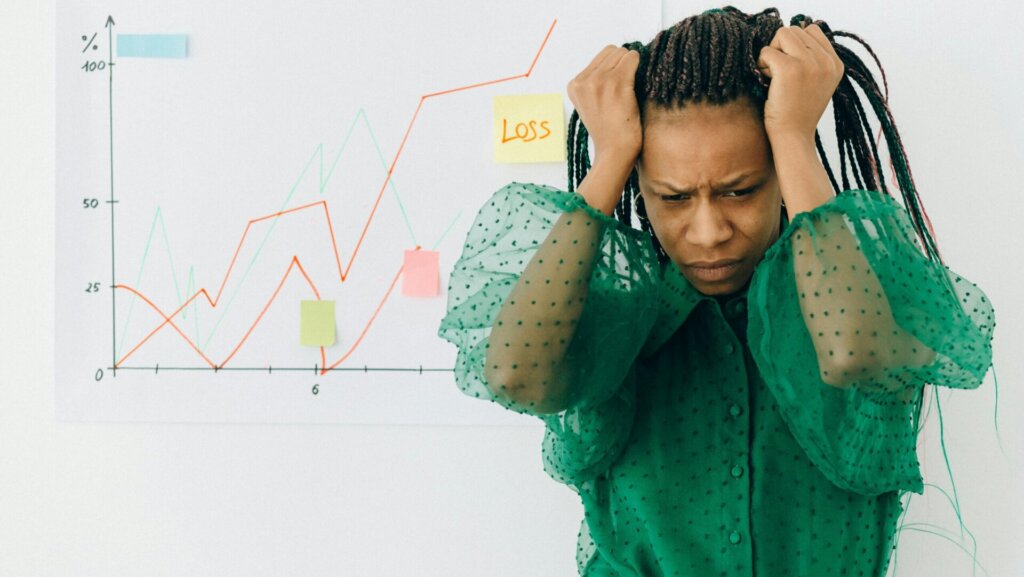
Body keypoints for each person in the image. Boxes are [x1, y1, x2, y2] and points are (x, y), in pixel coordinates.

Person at [438, 7, 995, 576]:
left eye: (740, 190)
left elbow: (857, 350)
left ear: (781, 173)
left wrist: (794, 134)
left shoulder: (862, 297)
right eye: (673, 198)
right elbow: (513, 374)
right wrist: (610, 156)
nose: (708, 233)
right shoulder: (617, 323)